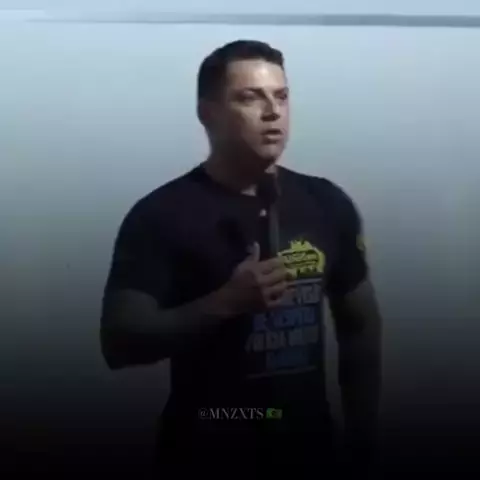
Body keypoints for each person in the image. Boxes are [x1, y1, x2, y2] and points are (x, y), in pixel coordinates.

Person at [100, 40, 382, 479]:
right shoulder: (161, 215)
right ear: (207, 113)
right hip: (205, 450)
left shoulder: (326, 203)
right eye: (251, 98)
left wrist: (363, 439)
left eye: (281, 97)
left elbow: (360, 325)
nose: (273, 112)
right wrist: (225, 303)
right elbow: (119, 343)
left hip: (311, 453)